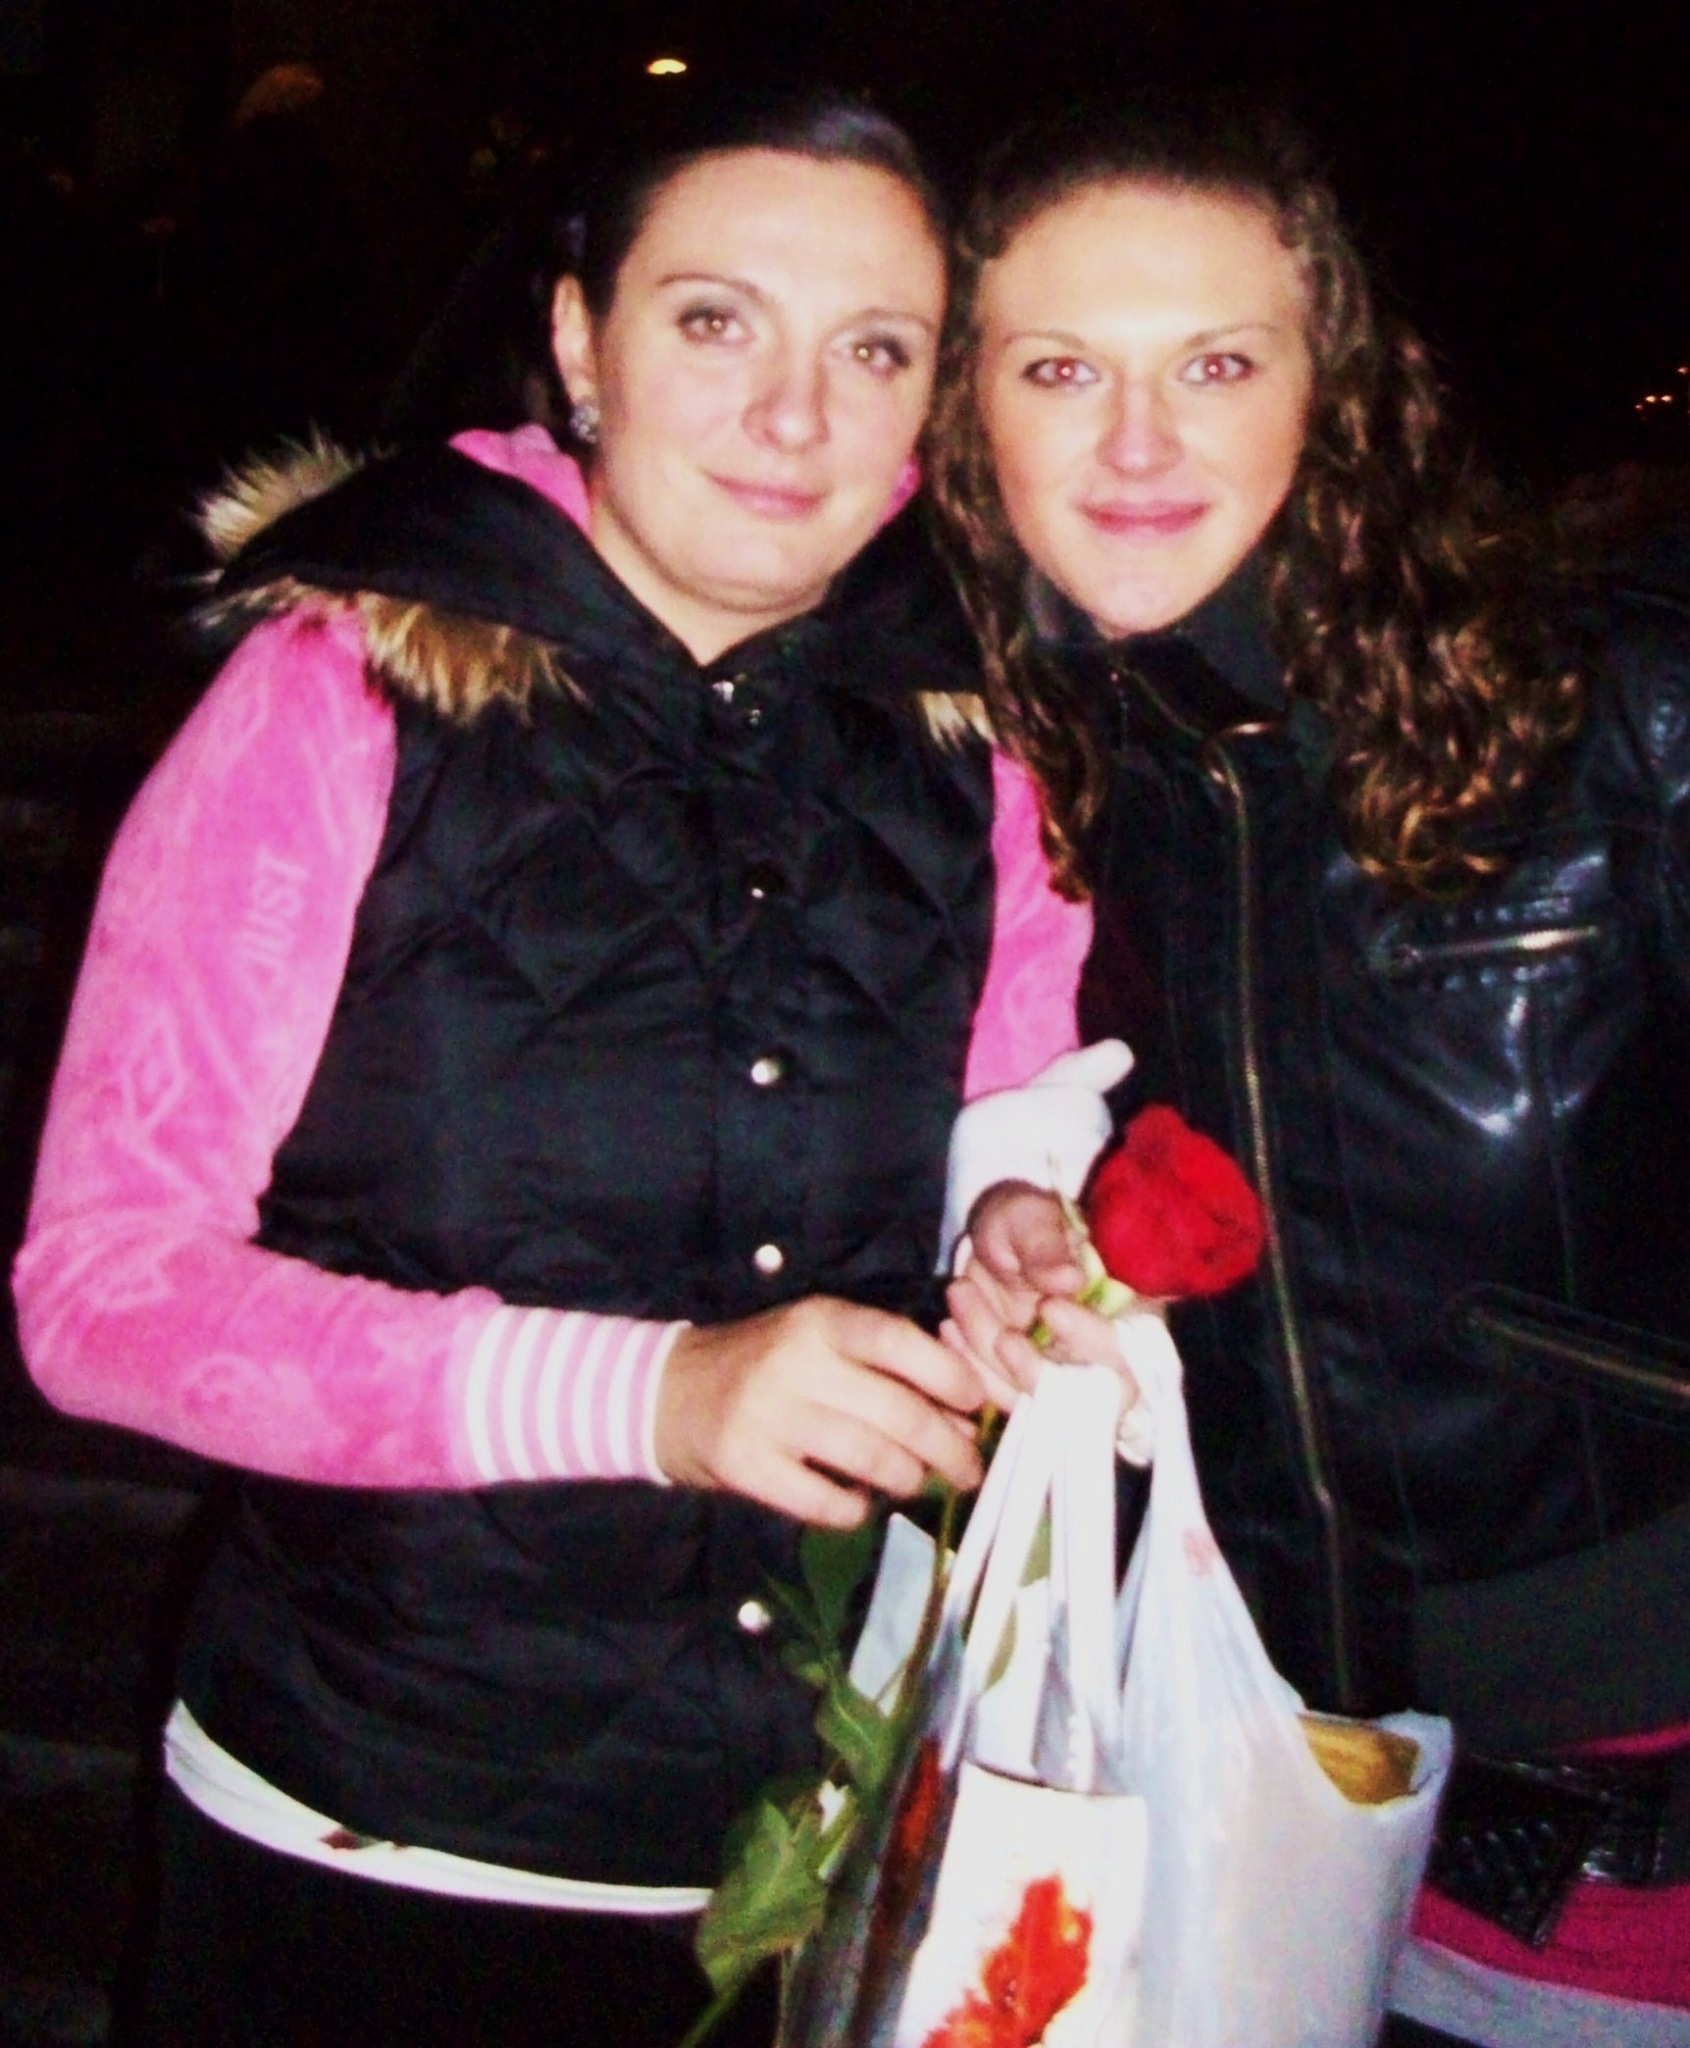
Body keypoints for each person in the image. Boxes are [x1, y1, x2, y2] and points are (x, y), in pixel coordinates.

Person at [10, 91, 1095, 2048]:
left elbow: (1011, 1103)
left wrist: (1019, 1221)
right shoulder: (343, 686)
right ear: (582, 341)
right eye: (714, 320)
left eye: (872, 350)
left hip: (813, 1845)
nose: (793, 414)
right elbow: (103, 1297)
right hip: (384, 1840)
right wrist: (655, 1395)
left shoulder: (978, 734)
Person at [931, 97, 1690, 2048]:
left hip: (1628, 1852)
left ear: (1332, 389)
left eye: (1213, 364)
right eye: (1058, 369)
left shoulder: (1617, 704)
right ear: (965, 410)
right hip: (1282, 1812)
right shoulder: (1070, 749)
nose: (1134, 443)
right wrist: (1031, 1220)